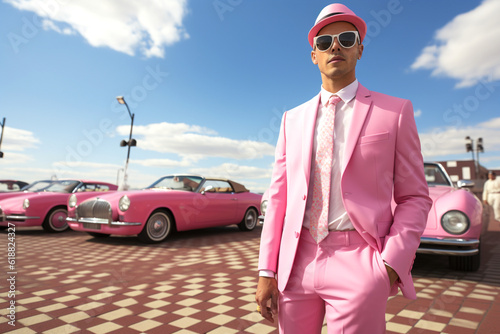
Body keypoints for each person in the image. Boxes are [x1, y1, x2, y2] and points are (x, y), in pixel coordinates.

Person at [255, 4, 433, 333]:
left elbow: (415, 197)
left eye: (346, 39)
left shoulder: (394, 112)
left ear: (359, 50)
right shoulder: (290, 120)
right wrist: (267, 271)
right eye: (324, 43)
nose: (334, 46)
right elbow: (279, 197)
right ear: (314, 56)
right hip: (296, 262)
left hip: (361, 260)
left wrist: (390, 265)